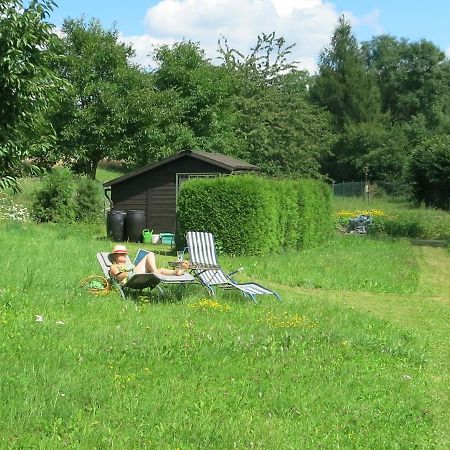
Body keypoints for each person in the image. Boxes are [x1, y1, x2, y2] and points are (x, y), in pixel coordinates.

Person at [108, 245, 189, 285]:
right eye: (121, 254)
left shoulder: (127, 264)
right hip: (132, 277)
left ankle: (176, 272)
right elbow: (118, 277)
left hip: (137, 274)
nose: (124, 255)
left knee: (159, 267)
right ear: (115, 256)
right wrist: (130, 271)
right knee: (151, 259)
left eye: (124, 254)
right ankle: (156, 272)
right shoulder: (114, 266)